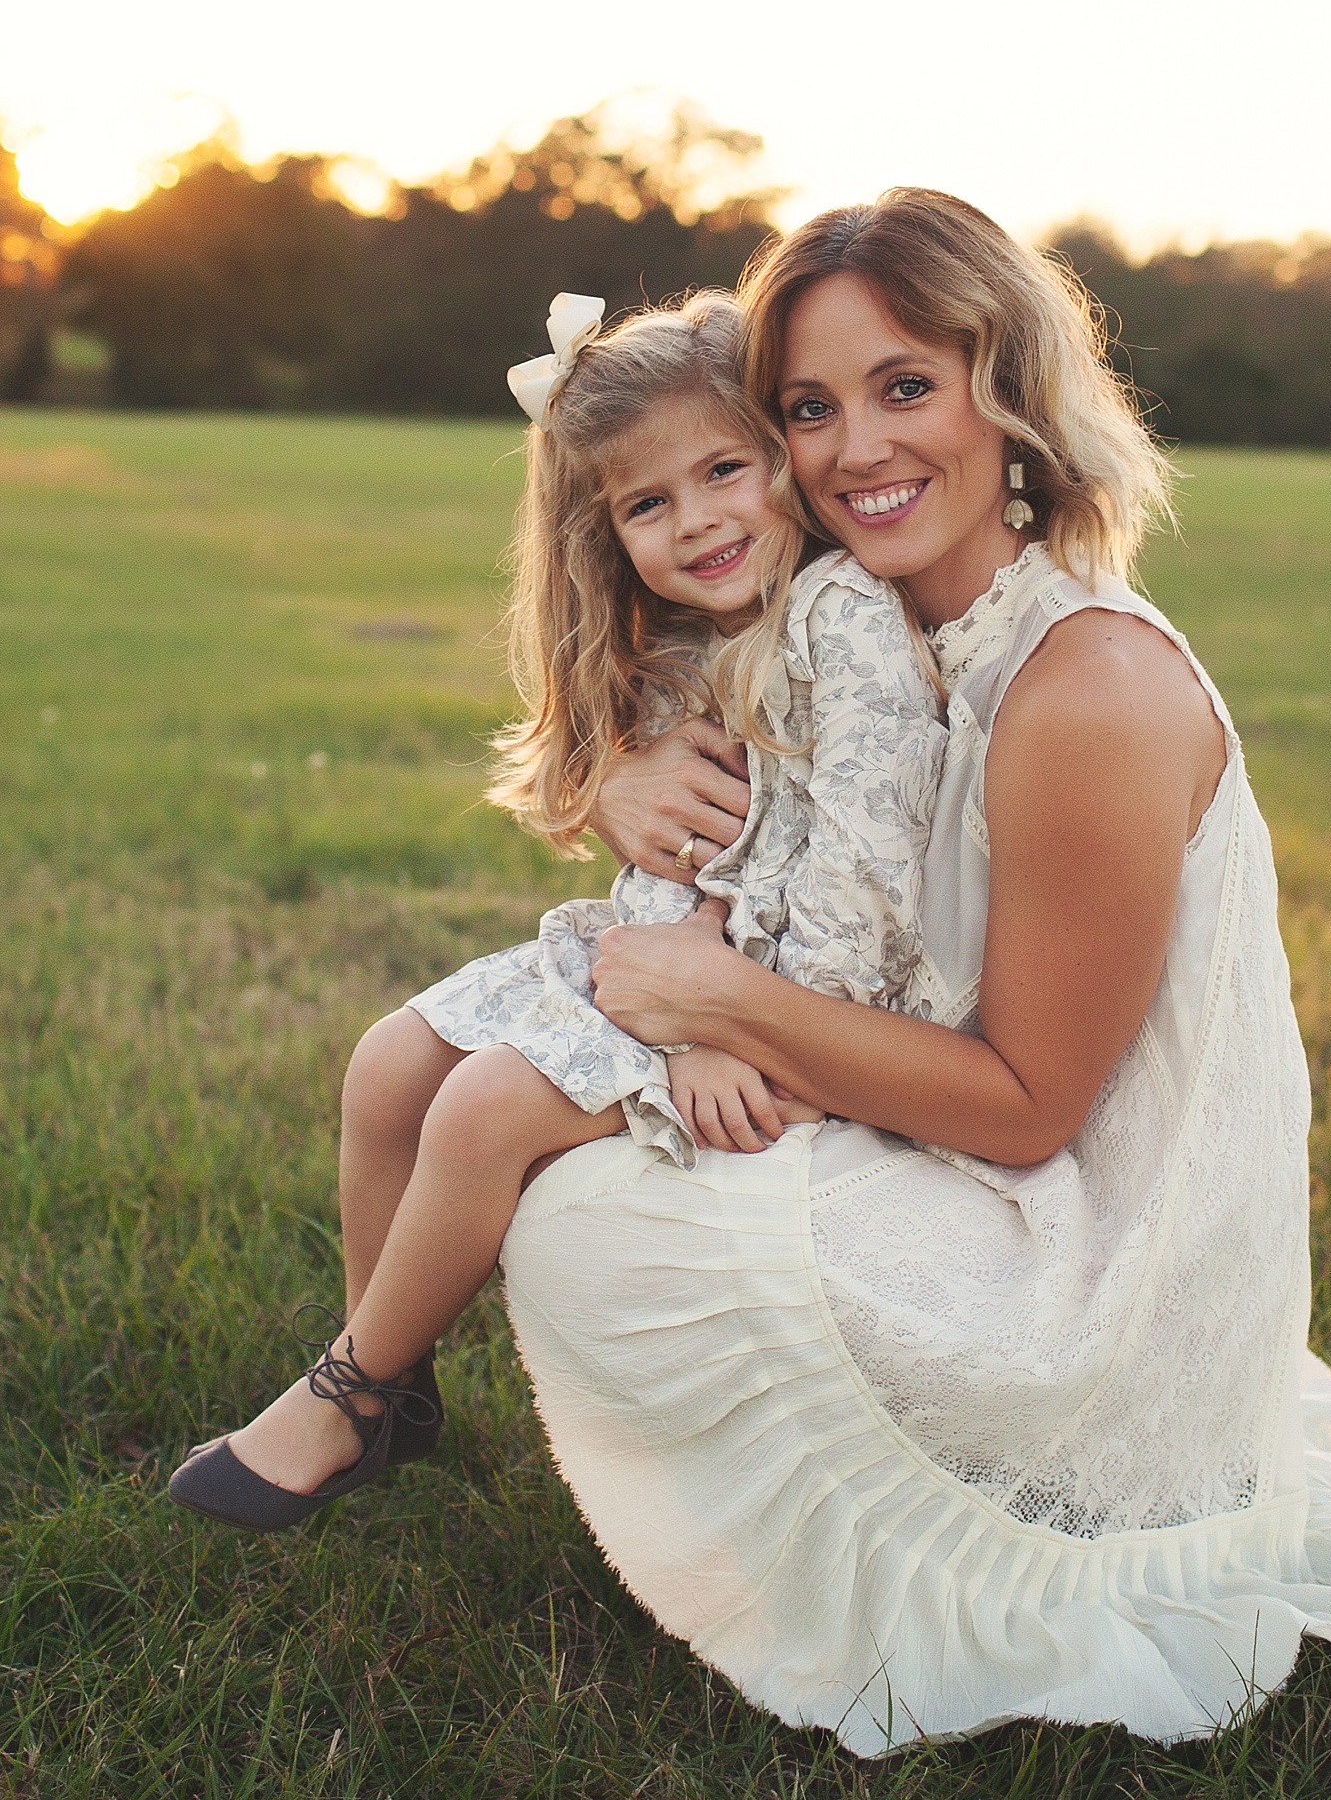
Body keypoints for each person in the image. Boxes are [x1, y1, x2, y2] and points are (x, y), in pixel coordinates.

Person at [501, 189, 1331, 1752]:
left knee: (590, 1216)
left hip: (1072, 1255)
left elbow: (1033, 1107)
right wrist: (621, 777)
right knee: (529, 1110)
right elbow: (737, 811)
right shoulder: (859, 627)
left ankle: (932, 1553)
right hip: (916, 1138)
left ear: (1012, 390)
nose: (852, 450)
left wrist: (718, 1003)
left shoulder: (1085, 682)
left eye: (906, 386)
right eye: (806, 409)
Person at [166, 287, 946, 1532]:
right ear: (607, 531)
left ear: (783, 461)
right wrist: (665, 941)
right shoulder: (691, 636)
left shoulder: (841, 628)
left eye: (725, 471)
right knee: (389, 1067)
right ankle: (398, 1390)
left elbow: (869, 879)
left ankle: (345, 1393)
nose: (696, 522)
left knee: (479, 1109)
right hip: (674, 972)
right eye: (648, 503)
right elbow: (675, 862)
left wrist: (729, 1025)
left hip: (796, 1007)